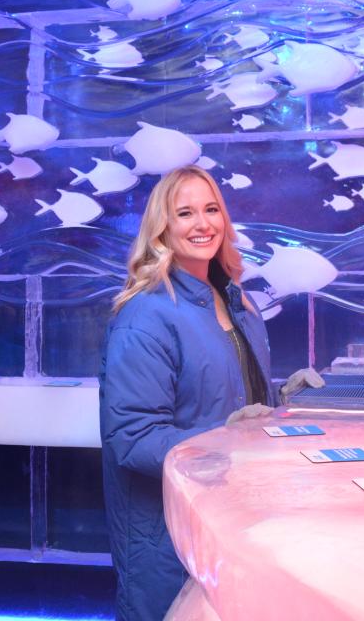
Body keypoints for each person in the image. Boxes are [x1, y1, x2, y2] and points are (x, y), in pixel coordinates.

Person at [99, 165, 322, 621]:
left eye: (211, 209)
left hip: (234, 525)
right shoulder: (145, 316)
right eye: (185, 213)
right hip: (170, 542)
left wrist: (285, 404)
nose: (203, 224)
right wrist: (225, 439)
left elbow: (232, 402)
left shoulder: (238, 301)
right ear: (161, 227)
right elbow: (133, 439)